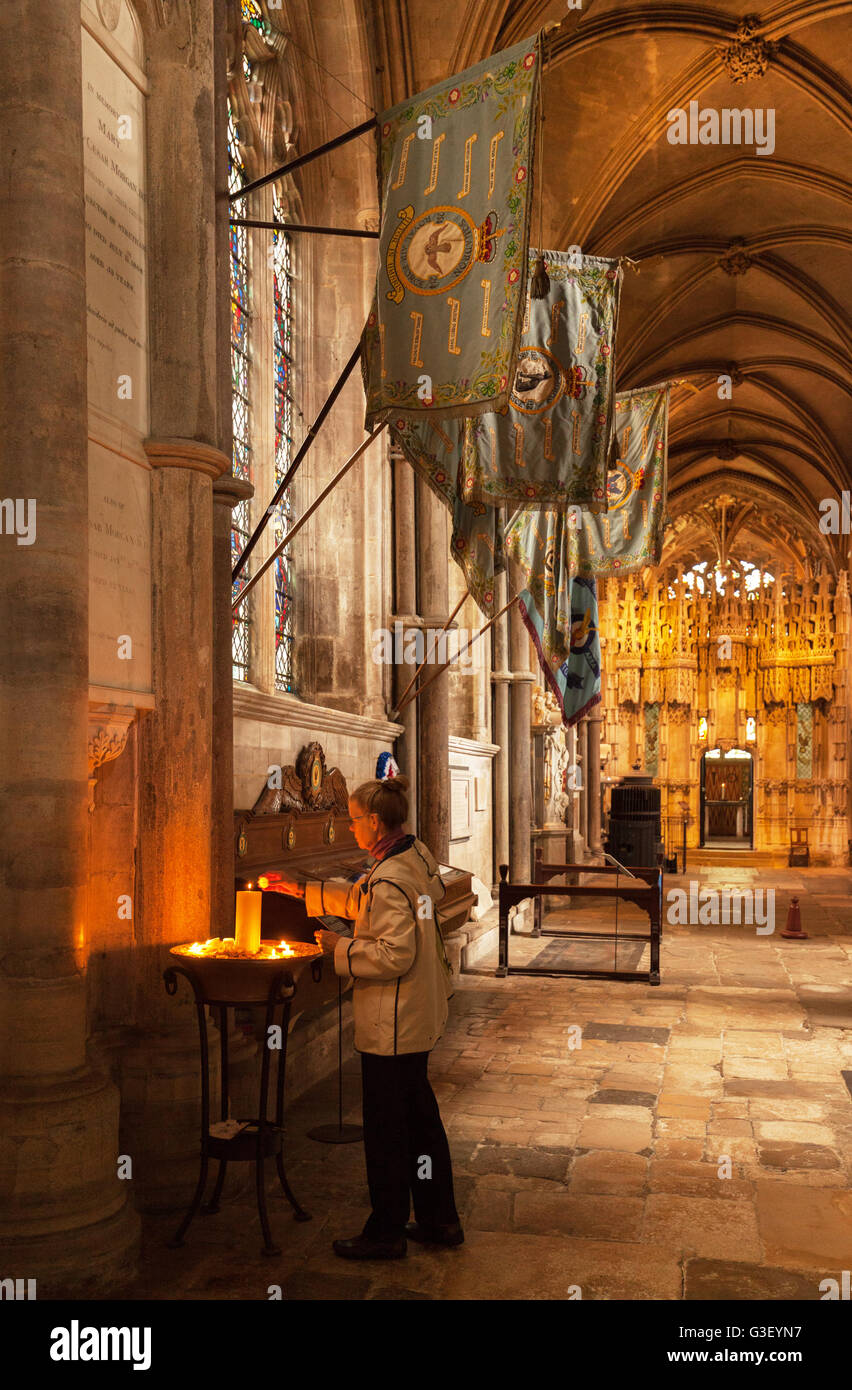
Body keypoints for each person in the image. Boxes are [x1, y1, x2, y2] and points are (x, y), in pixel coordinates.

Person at [274, 775, 463, 1260]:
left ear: (374, 822)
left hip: (394, 1021)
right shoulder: (411, 856)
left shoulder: (391, 877)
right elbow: (365, 900)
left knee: (386, 1131)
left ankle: (385, 1232)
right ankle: (440, 1220)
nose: (351, 826)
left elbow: (392, 953)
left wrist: (342, 948)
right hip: (416, 1013)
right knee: (420, 1120)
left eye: (355, 819)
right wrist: (302, 890)